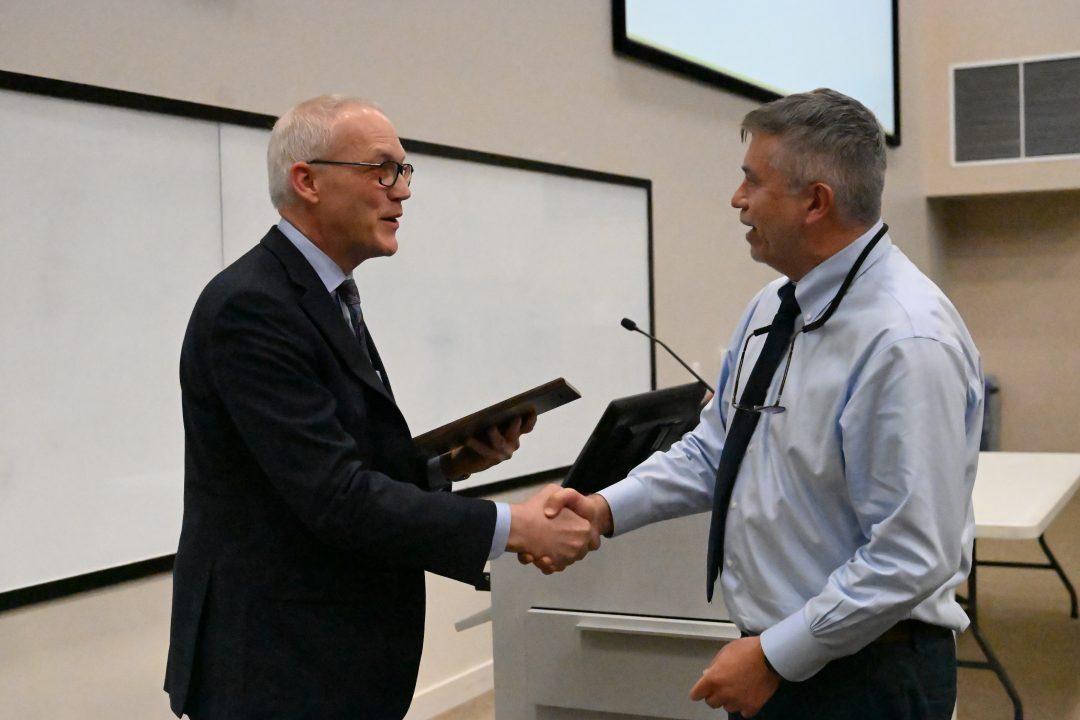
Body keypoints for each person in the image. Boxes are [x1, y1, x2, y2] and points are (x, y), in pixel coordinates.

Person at [535, 89, 983, 719]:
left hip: (867, 673)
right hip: (783, 653)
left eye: (752, 181)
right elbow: (718, 447)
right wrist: (606, 507)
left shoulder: (906, 340)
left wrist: (775, 655)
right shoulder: (773, 306)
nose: (736, 199)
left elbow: (910, 554)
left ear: (815, 202)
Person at [164, 94, 597, 720]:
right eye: (381, 170)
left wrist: (449, 467)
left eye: (405, 171)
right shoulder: (252, 306)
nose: (402, 191)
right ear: (307, 180)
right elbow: (334, 496)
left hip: (330, 654)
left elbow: (329, 464)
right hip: (275, 666)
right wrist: (512, 527)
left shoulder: (325, 293)